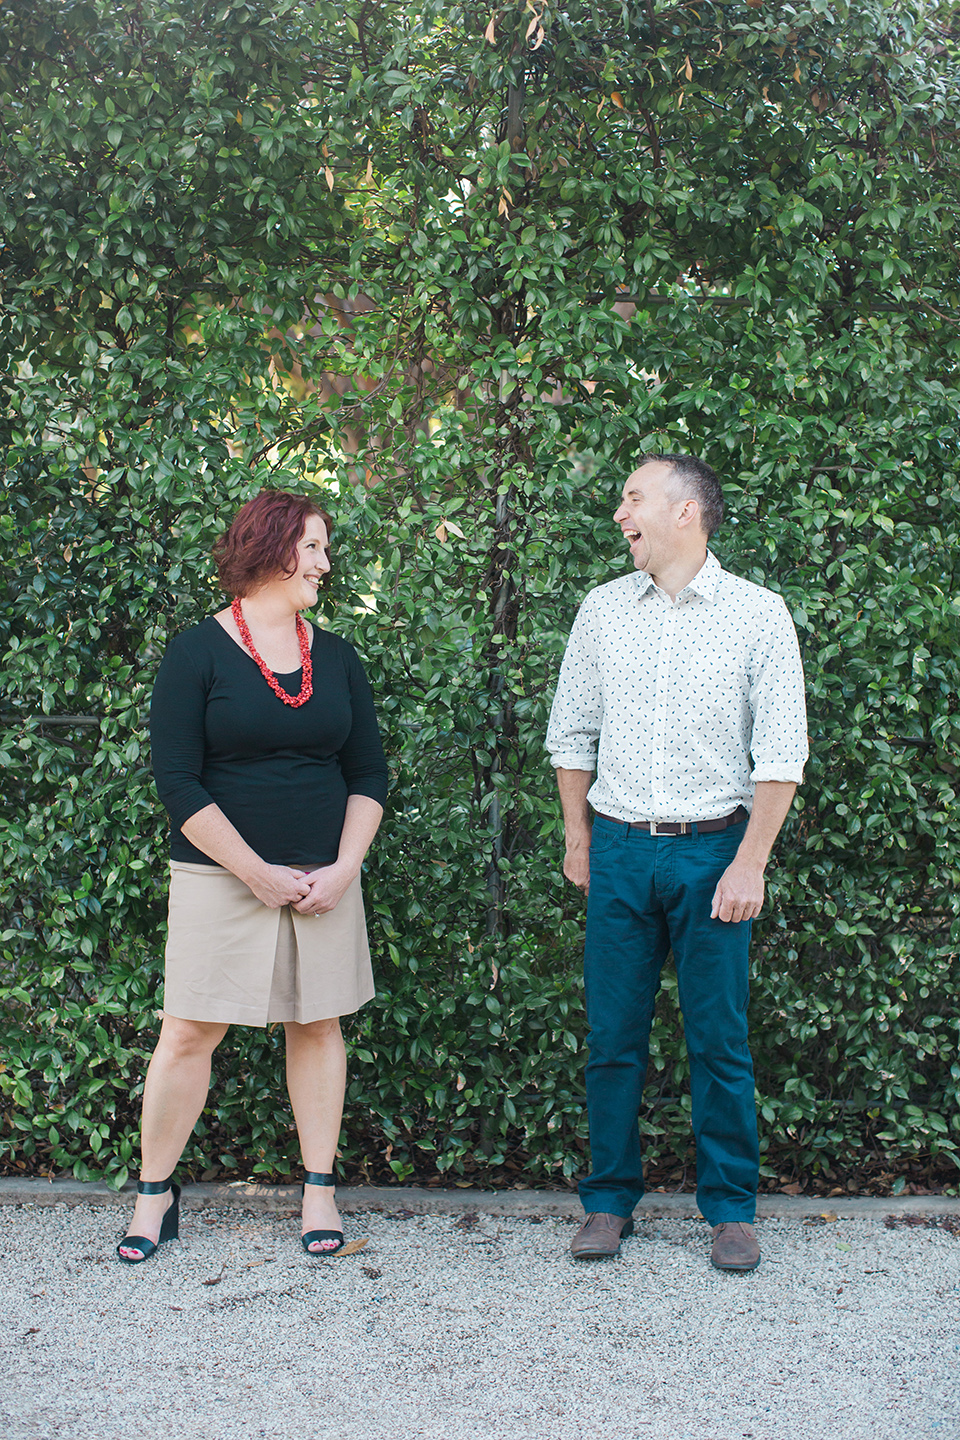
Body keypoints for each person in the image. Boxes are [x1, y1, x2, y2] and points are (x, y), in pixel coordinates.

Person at [546, 453, 808, 1271]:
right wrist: (577, 836)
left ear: (685, 512)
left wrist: (751, 863)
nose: (619, 512)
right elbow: (571, 730)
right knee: (612, 1039)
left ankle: (730, 1210)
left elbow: (782, 754)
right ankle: (607, 1202)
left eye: (632, 498)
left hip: (714, 854)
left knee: (720, 1040)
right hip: (620, 850)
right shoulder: (601, 610)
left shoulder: (758, 614)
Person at [117, 490, 388, 1264]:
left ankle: (319, 1191)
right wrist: (256, 873)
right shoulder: (194, 653)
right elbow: (178, 783)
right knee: (188, 1033)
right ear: (271, 550)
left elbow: (368, 772)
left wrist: (344, 867)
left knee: (318, 1025)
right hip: (220, 877)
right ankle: (153, 1196)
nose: (325, 564)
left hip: (324, 879)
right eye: (314, 548)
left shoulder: (336, 657)